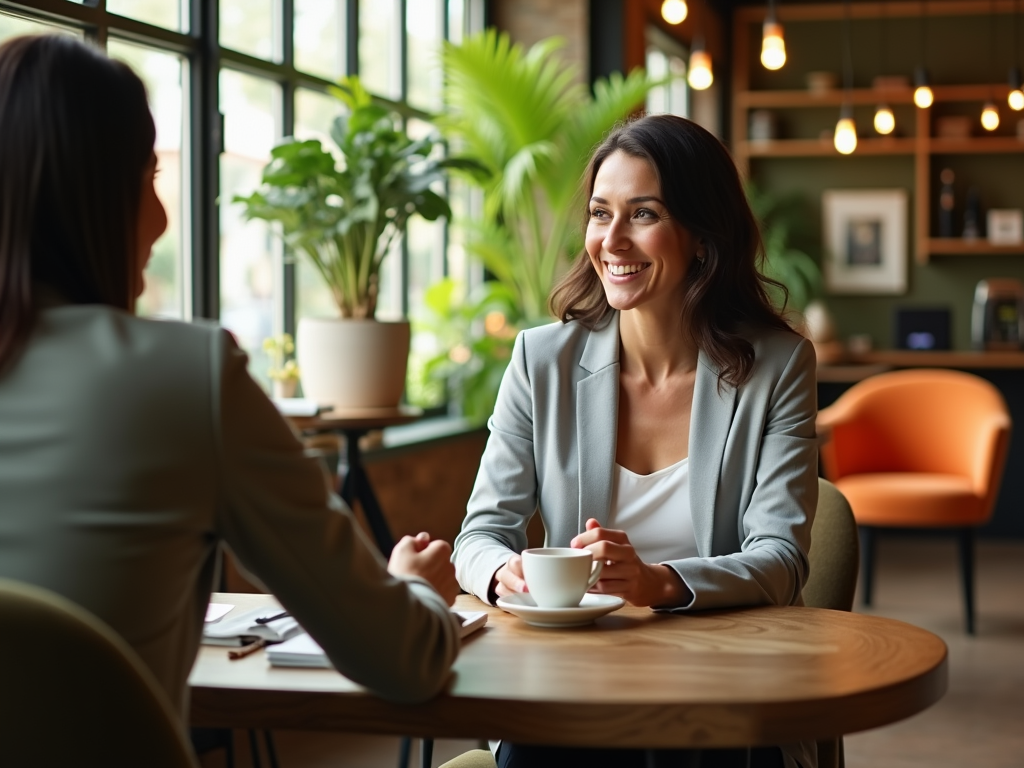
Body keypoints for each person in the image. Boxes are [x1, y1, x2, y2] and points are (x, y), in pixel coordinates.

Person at [0, 33, 461, 729]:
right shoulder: (187, 378)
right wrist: (417, 593)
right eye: (149, 179)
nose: (159, 220)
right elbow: (403, 660)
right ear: (99, 198)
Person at [452, 115, 818, 768]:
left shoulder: (778, 368)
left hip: (720, 689)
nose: (611, 240)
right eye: (600, 213)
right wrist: (504, 574)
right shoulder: (542, 362)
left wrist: (658, 582)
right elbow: (478, 537)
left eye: (642, 214)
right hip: (570, 688)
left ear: (701, 236)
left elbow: (781, 561)